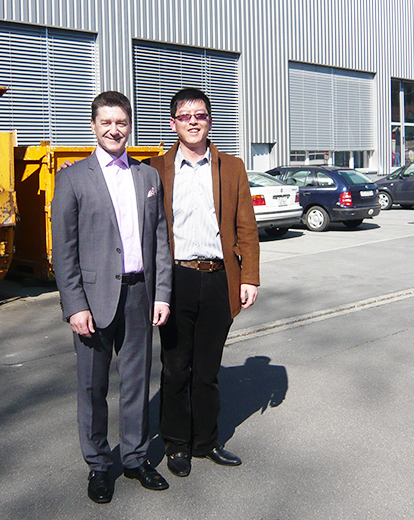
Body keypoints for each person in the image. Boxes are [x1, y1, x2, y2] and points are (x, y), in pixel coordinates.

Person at [51, 91, 173, 504]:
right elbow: (64, 250)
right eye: (106, 122)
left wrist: (161, 294)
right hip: (93, 299)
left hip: (140, 294)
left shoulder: (147, 176)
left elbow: (160, 240)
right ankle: (100, 464)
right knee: (93, 387)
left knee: (137, 381)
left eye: (121, 122)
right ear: (93, 126)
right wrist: (75, 305)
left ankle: (135, 458)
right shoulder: (72, 178)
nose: (114, 130)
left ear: (130, 126)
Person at [147, 88, 260, 478]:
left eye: (200, 115)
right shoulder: (156, 169)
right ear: (173, 123)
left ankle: (207, 442)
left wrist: (249, 277)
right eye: (185, 116)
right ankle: (176, 444)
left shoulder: (232, 167)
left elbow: (246, 227)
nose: (192, 121)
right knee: (176, 368)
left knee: (208, 369)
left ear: (210, 120)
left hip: (218, 278)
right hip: (175, 279)